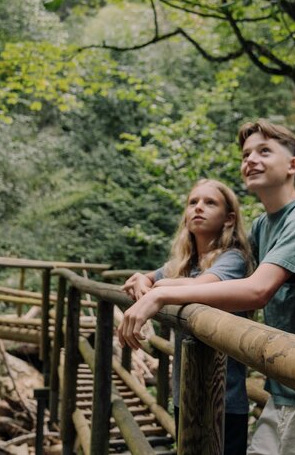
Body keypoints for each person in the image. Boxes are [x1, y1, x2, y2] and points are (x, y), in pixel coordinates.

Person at [118, 119, 295, 454]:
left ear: (293, 165)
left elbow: (256, 290)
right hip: (287, 381)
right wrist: (149, 279)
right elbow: (217, 276)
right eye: (246, 154)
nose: (250, 160)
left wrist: (160, 293)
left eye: (264, 151)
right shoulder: (263, 225)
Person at [122, 179, 253, 455]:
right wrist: (140, 280)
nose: (198, 208)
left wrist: (156, 292)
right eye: (193, 202)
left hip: (223, 399)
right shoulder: (184, 264)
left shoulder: (233, 259)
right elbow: (146, 278)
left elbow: (203, 285)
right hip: (185, 392)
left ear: (229, 218)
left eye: (210, 202)